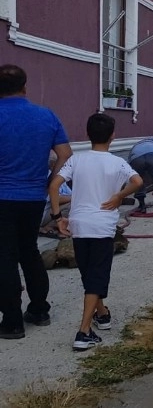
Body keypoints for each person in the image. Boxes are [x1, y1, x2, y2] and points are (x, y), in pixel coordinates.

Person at [50, 113, 142, 351]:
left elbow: (54, 185)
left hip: (79, 225)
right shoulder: (117, 163)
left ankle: (102, 314)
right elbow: (138, 181)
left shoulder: (76, 160)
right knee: (96, 277)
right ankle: (83, 332)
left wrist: (57, 217)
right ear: (113, 135)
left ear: (87, 134)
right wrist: (119, 196)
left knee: (89, 273)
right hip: (102, 227)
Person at [0, 64, 71, 339]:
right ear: (25, 87)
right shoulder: (46, 116)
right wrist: (50, 181)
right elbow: (64, 153)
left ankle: (12, 321)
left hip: (2, 198)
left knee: (4, 257)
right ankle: (40, 310)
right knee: (28, 251)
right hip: (32, 196)